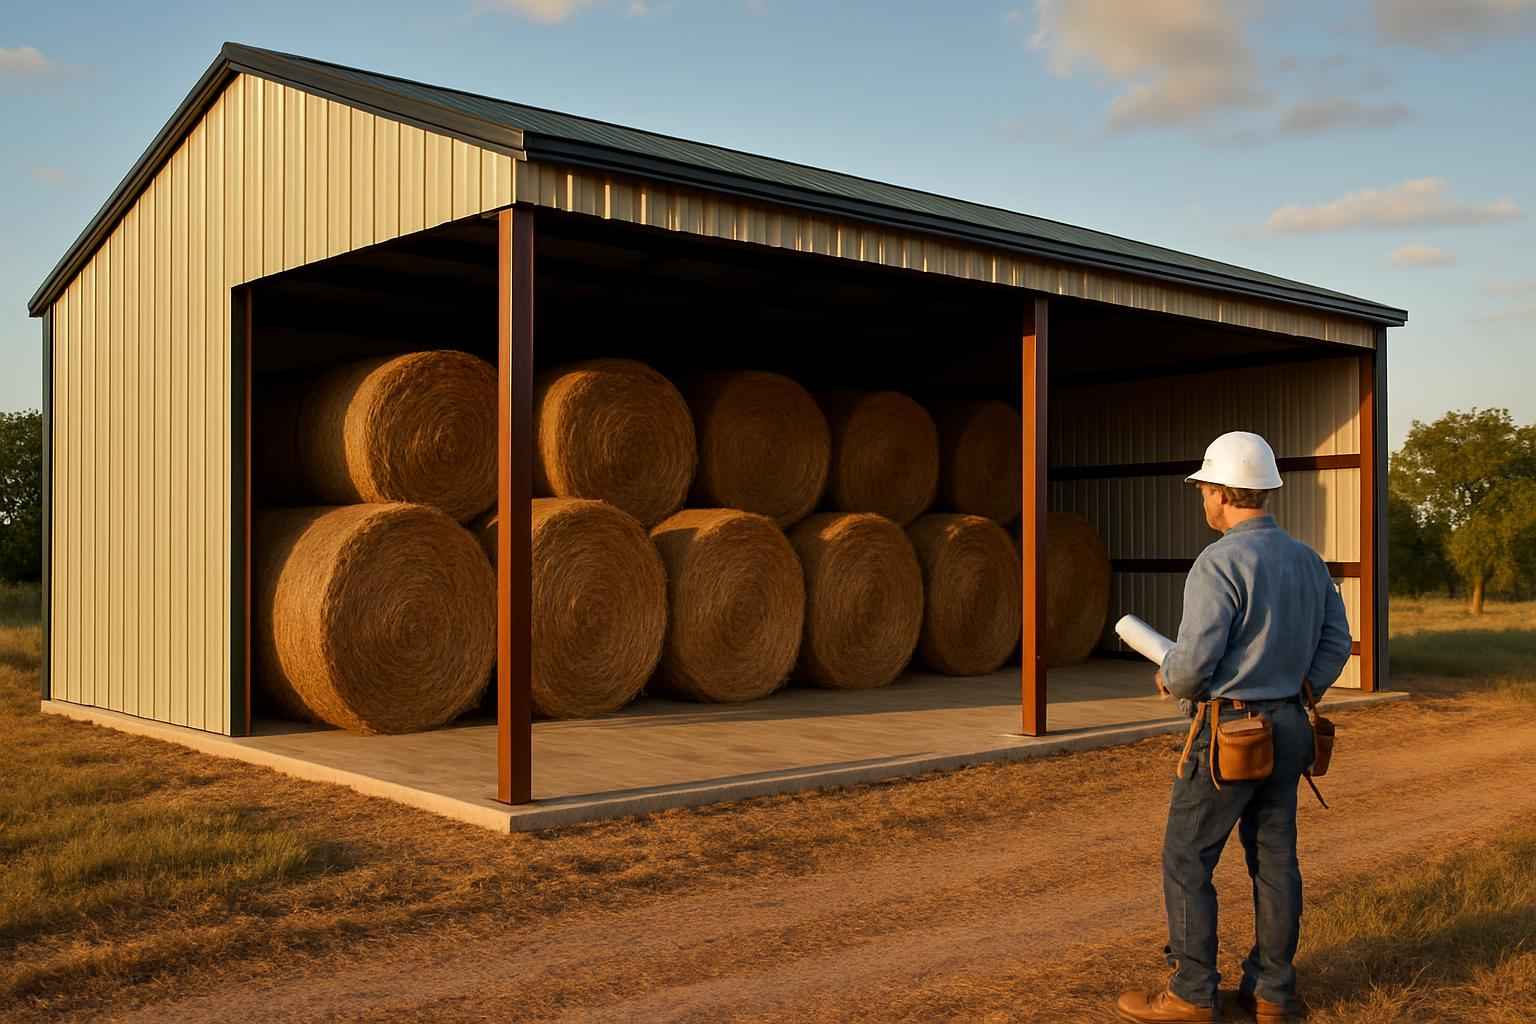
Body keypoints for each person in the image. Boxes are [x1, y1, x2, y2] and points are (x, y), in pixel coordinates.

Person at [1116, 431, 1353, 1024]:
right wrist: (1301, 691)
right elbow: (1335, 643)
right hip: (1291, 727)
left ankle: (1192, 994)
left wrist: (1173, 679)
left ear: (1221, 492)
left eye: (1203, 489)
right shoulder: (1305, 560)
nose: (1202, 500)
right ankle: (1273, 993)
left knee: (1187, 860)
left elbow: (1195, 665)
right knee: (1275, 861)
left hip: (1228, 736)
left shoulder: (1217, 562)